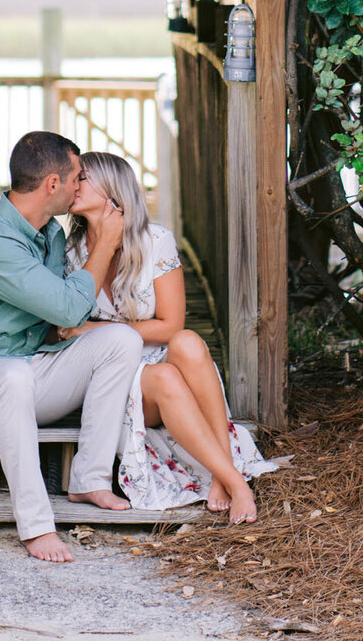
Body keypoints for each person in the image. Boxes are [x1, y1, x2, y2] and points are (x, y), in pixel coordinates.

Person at [0, 130, 144, 563]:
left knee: (122, 339)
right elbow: (68, 308)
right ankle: (36, 526)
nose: (80, 186)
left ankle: (89, 478)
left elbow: (67, 315)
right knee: (11, 376)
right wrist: (105, 243)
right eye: (76, 178)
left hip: (29, 371)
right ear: (52, 185)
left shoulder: (48, 234)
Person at [61, 149, 279, 522]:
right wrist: (106, 336)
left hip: (155, 353)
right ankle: (235, 482)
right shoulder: (71, 252)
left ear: (113, 190)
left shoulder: (155, 240)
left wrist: (99, 329)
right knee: (163, 376)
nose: (72, 185)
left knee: (189, 342)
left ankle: (221, 469)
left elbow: (170, 325)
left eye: (82, 177)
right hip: (112, 375)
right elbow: (66, 330)